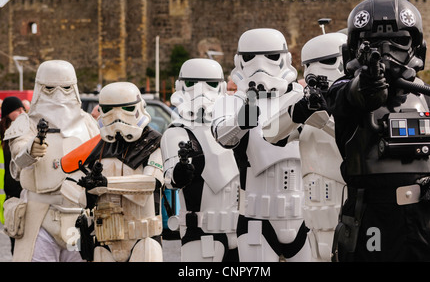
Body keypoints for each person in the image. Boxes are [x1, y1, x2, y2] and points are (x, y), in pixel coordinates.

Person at [327, 0, 430, 262]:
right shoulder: (343, 92)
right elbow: (349, 98)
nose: (385, 50)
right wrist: (367, 85)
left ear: (416, 46)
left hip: (424, 221)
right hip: (369, 219)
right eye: (371, 41)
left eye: (398, 40)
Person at [211, 28, 312, 262]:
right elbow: (223, 136)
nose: (260, 65)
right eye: (251, 58)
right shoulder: (232, 102)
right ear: (240, 61)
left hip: (304, 214)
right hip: (257, 216)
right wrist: (241, 121)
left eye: (270, 56)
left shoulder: (302, 98)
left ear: (284, 59)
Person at [262, 31, 347, 261]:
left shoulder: (354, 103)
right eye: (308, 65)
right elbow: (270, 134)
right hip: (313, 222)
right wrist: (295, 113)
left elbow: (358, 143)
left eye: (325, 61)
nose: (314, 71)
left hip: (348, 218)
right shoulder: (304, 102)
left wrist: (326, 121)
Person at [4, 60, 100, 262]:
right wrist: (30, 150)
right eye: (50, 88)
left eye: (65, 88)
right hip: (39, 216)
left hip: (78, 215)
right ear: (41, 88)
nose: (58, 94)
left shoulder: (88, 123)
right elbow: (17, 159)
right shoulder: (25, 123)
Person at [60, 82, 164, 262]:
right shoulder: (97, 147)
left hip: (143, 238)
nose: (117, 117)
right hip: (105, 239)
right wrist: (87, 192)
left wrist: (106, 184)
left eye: (127, 109)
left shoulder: (153, 143)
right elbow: (68, 184)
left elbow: (151, 183)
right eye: (108, 109)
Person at [161, 58, 240, 262]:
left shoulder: (235, 127)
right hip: (201, 233)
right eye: (192, 84)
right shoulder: (177, 132)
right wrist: (180, 172)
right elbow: (171, 178)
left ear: (221, 87)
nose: (201, 91)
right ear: (181, 86)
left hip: (241, 231)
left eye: (210, 84)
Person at [0, 97, 26, 254]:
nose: (22, 112)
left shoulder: (26, 131)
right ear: (8, 113)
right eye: (18, 110)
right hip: (8, 194)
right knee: (14, 236)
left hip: (23, 190)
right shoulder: (2, 134)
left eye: (23, 109)